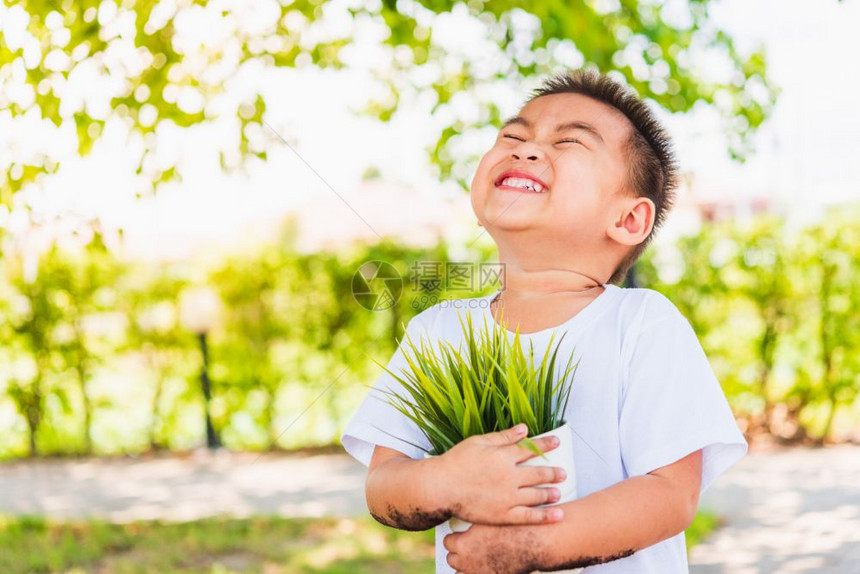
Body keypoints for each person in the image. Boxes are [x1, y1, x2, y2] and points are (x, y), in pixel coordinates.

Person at [340, 68, 747, 573]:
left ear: (627, 220)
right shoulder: (437, 333)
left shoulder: (641, 325)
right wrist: (445, 480)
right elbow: (383, 486)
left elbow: (669, 495)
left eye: (570, 143)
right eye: (513, 135)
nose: (525, 149)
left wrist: (535, 549)